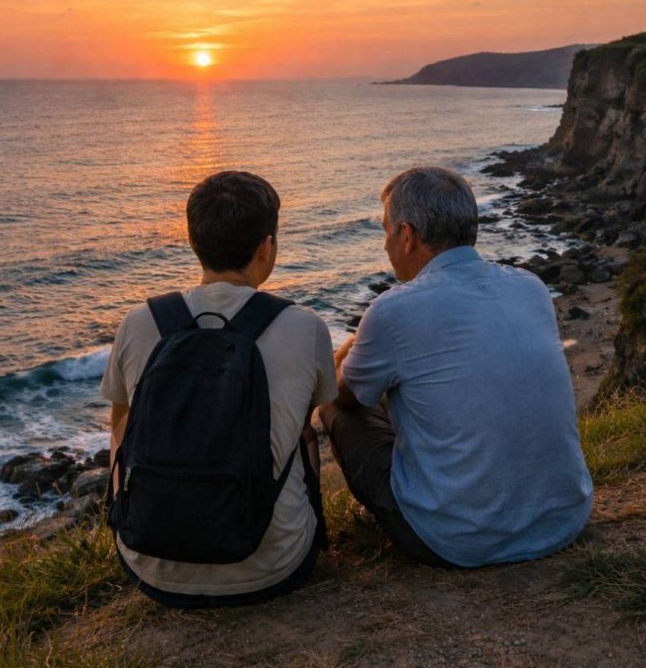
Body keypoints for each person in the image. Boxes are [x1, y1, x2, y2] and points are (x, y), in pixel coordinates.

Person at [319, 166, 593, 568]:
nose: (385, 244)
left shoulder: (393, 311)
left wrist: (352, 344)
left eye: (386, 231)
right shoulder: (530, 286)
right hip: (562, 519)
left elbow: (341, 393)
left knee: (333, 406)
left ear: (407, 235)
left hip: (456, 539)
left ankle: (388, 509)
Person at [101, 170, 336, 606]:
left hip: (149, 562)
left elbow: (120, 428)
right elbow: (307, 427)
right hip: (274, 565)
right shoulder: (305, 327)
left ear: (193, 241)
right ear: (266, 247)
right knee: (301, 434)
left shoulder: (139, 322)